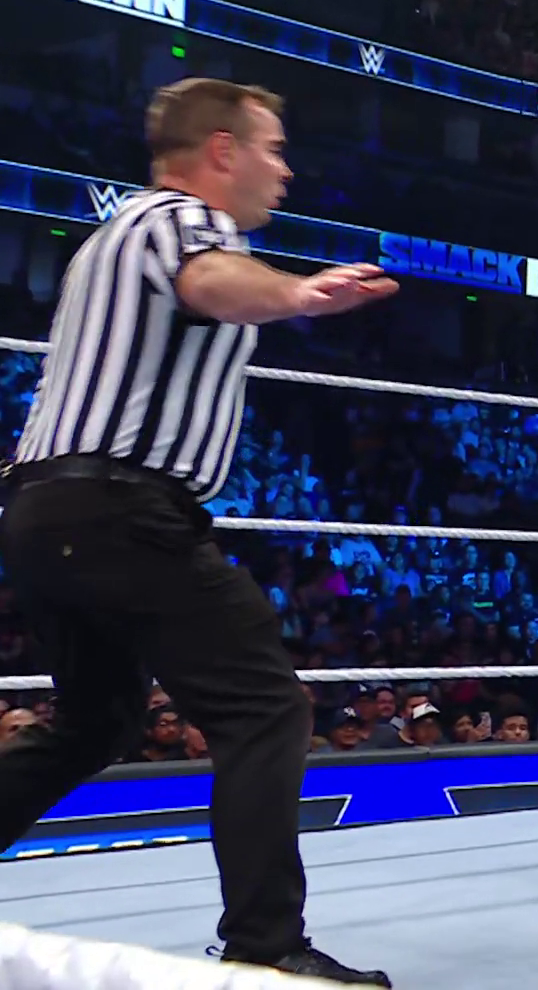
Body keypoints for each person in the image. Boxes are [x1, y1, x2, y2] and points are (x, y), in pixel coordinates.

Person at [0, 78, 394, 984]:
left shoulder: (111, 237)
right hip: (119, 509)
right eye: (273, 149)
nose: (285, 171)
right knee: (265, 707)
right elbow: (213, 281)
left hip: (48, 511)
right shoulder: (177, 220)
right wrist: (302, 295)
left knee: (97, 720)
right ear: (222, 150)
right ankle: (268, 946)